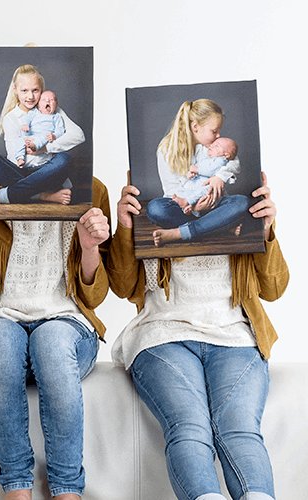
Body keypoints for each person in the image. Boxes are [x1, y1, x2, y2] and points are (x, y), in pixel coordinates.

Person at [109, 172, 289, 500]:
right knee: (189, 426)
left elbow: (274, 288)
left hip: (235, 336)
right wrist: (124, 228)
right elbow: (122, 286)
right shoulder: (163, 201)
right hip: (163, 333)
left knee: (239, 429)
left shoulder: (231, 201)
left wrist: (264, 230)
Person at [0, 177, 112, 499]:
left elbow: (95, 296)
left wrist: (90, 248)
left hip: (68, 322)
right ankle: (17, 486)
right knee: (0, 341)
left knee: (50, 342)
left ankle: (67, 489)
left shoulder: (91, 190)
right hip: (0, 319)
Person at [0, 64, 85, 206]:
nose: (30, 96)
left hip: (46, 170)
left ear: (41, 90)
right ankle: (44, 195)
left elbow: (78, 135)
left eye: (35, 90)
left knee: (64, 159)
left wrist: (45, 149)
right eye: (24, 91)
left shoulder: (52, 111)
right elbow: (14, 155)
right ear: (15, 90)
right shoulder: (11, 118)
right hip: (18, 169)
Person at [146, 99, 250, 246]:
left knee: (241, 202)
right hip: (184, 206)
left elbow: (233, 160)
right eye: (214, 131)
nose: (218, 135)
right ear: (195, 127)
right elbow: (171, 190)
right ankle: (218, 225)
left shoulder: (212, 146)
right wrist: (195, 207)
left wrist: (219, 177)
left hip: (213, 204)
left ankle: (180, 233)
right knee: (156, 209)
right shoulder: (167, 150)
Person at [173, 137, 238, 215]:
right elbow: (200, 168)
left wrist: (197, 169)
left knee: (207, 190)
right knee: (187, 186)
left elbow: (210, 171)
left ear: (226, 155)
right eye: (213, 144)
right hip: (198, 183)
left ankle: (187, 202)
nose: (211, 146)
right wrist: (192, 174)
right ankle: (190, 207)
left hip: (208, 186)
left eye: (216, 146)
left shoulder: (221, 161)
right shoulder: (207, 158)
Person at [15, 90, 65, 167]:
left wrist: (54, 136)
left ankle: (35, 146)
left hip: (44, 136)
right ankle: (20, 158)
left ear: (56, 105)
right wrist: (25, 125)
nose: (48, 101)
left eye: (52, 100)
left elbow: (60, 130)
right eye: (44, 100)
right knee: (20, 140)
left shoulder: (56, 116)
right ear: (38, 105)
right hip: (31, 135)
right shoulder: (34, 112)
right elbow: (27, 118)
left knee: (45, 136)